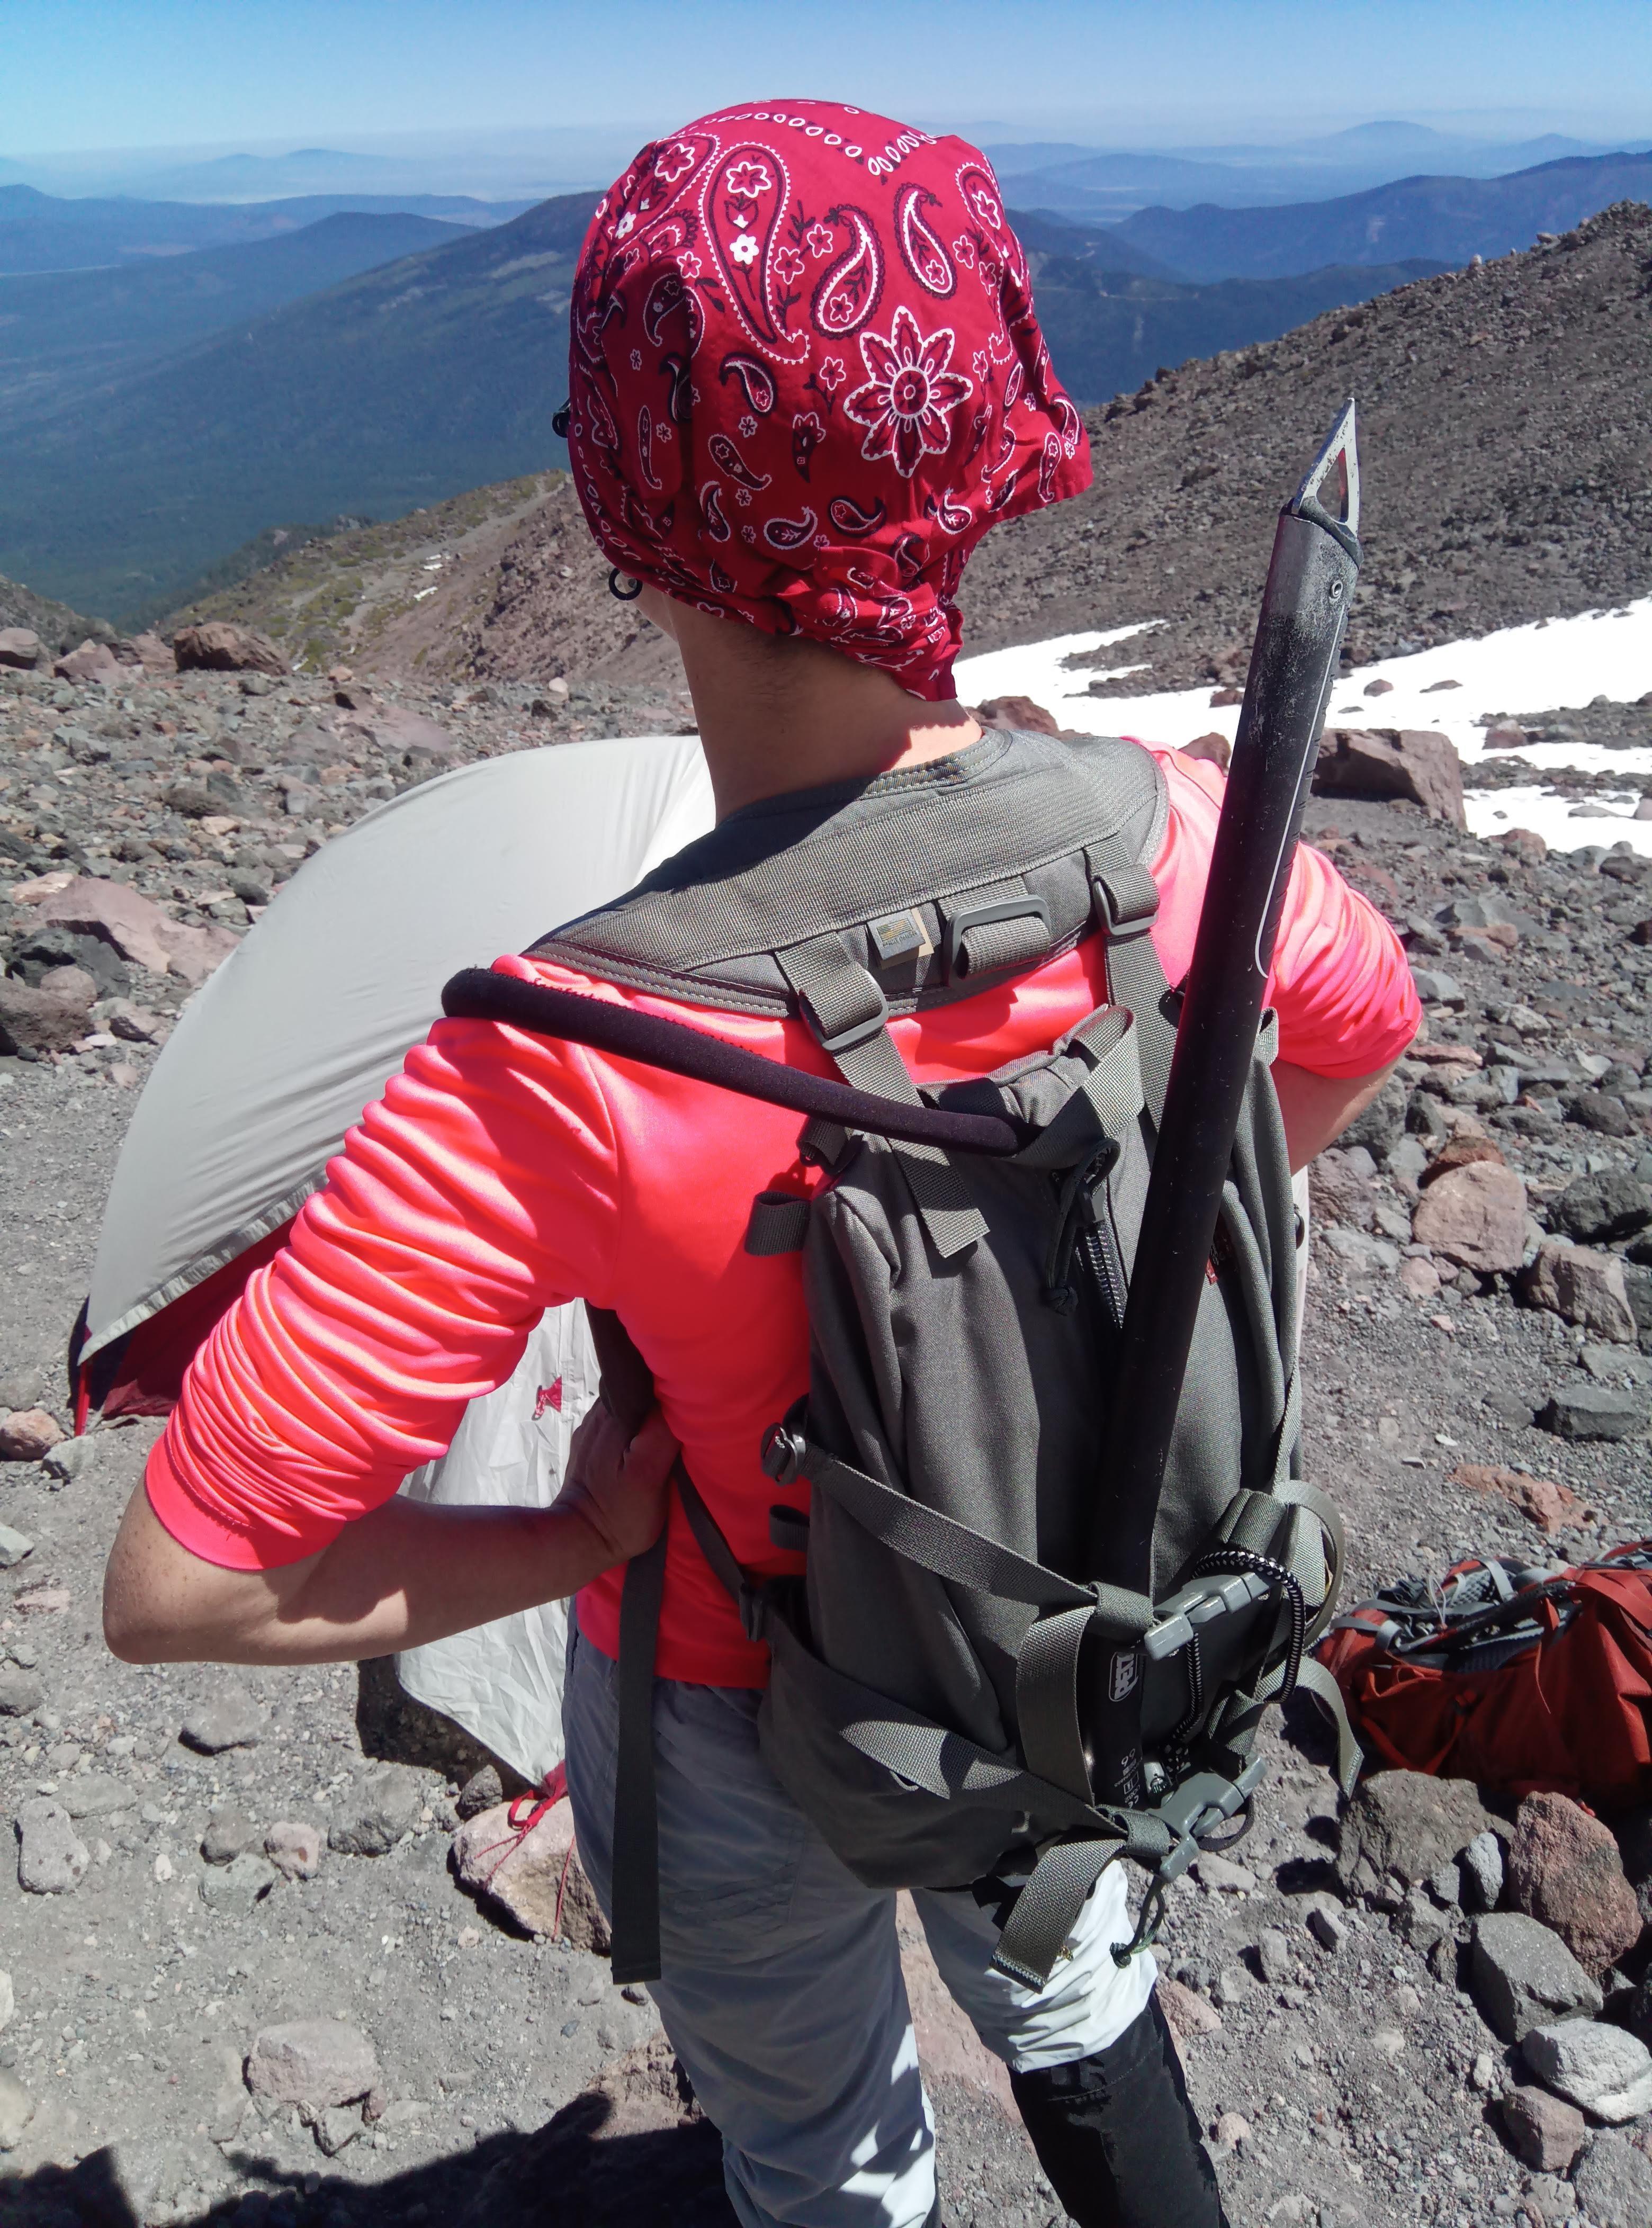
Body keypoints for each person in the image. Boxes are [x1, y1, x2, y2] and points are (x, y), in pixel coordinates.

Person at [104, 101, 1418, 2228]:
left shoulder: (547, 1060)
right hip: (1082, 1611)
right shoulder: (1185, 836)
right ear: (989, 433)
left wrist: (581, 1526)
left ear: (622, 482)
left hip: (732, 1689)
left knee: (816, 2146)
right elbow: (1360, 1034)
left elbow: (180, 1585)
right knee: (1076, 1978)